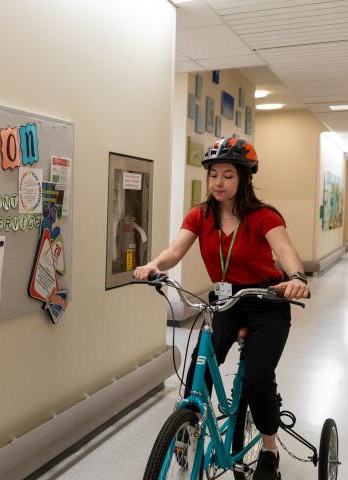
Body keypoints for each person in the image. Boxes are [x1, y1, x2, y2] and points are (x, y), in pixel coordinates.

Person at [133, 138, 309, 480]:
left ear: (243, 178)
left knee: (258, 380)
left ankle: (269, 449)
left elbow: (285, 250)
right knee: (200, 363)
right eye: (214, 175)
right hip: (227, 299)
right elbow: (174, 251)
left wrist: (297, 276)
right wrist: (154, 265)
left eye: (228, 175)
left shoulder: (263, 216)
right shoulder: (200, 216)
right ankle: (189, 430)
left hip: (267, 300)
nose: (218, 183)